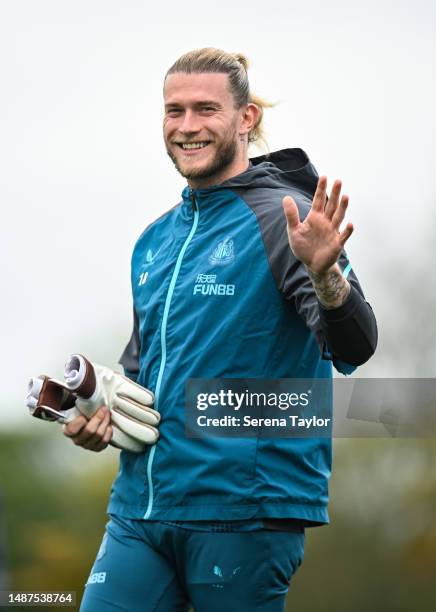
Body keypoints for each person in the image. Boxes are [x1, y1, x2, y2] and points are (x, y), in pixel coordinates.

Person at [64, 48, 378, 612]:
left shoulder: (288, 219)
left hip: (244, 514)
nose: (187, 127)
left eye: (205, 109)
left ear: (246, 118)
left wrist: (326, 273)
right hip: (139, 512)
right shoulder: (153, 240)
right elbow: (142, 377)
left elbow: (355, 345)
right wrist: (99, 418)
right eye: (174, 111)